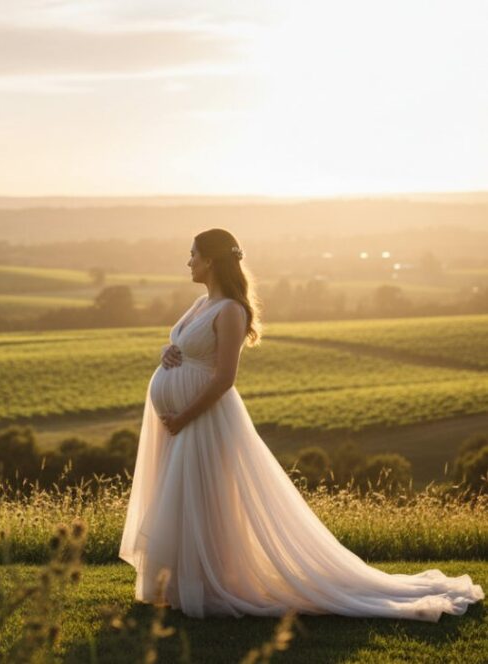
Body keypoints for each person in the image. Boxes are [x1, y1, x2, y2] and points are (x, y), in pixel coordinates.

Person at [118, 228, 484, 621]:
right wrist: (167, 351)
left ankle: (206, 585)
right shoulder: (199, 303)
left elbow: (224, 378)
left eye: (193, 254)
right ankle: (177, 585)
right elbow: (180, 343)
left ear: (210, 260)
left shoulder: (231, 311)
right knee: (183, 497)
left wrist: (184, 416)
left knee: (204, 498)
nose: (188, 261)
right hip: (178, 421)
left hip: (202, 418)